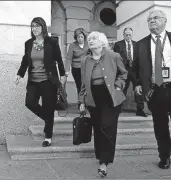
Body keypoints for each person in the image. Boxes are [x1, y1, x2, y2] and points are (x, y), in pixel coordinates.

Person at [133, 10, 171, 179]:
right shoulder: (141, 44)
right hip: (155, 92)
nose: (152, 21)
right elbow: (135, 68)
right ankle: (164, 156)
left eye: (155, 18)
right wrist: (137, 83)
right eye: (149, 19)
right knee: (160, 127)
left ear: (165, 21)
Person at [79, 31, 127, 177]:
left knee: (107, 127)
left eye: (94, 38)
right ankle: (101, 156)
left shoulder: (114, 56)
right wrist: (81, 101)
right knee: (98, 128)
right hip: (93, 98)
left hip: (111, 97)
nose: (90, 41)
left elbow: (123, 74)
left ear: (102, 42)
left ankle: (104, 163)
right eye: (89, 39)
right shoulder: (85, 60)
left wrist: (118, 85)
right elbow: (84, 83)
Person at [15, 17, 67, 147]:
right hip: (33, 81)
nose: (35, 28)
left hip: (48, 81)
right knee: (30, 103)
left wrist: (62, 74)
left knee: (48, 106)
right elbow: (25, 61)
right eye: (33, 26)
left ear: (43, 27)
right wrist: (19, 74)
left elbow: (59, 59)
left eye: (37, 26)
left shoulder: (52, 42)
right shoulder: (28, 43)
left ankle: (48, 136)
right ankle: (49, 119)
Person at [113, 27, 147, 117]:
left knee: (138, 90)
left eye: (130, 35)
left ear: (132, 35)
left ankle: (140, 110)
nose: (128, 36)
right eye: (126, 35)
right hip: (123, 70)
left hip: (135, 71)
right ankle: (117, 109)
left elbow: (139, 58)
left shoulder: (137, 44)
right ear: (123, 35)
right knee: (122, 89)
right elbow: (116, 59)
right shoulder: (118, 44)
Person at [65, 28, 89, 106]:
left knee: (87, 86)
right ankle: (81, 104)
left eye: (81, 37)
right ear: (76, 37)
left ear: (84, 37)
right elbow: (69, 58)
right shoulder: (72, 45)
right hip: (76, 69)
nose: (80, 39)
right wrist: (67, 70)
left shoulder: (88, 44)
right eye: (78, 37)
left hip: (86, 68)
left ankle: (87, 103)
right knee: (80, 86)